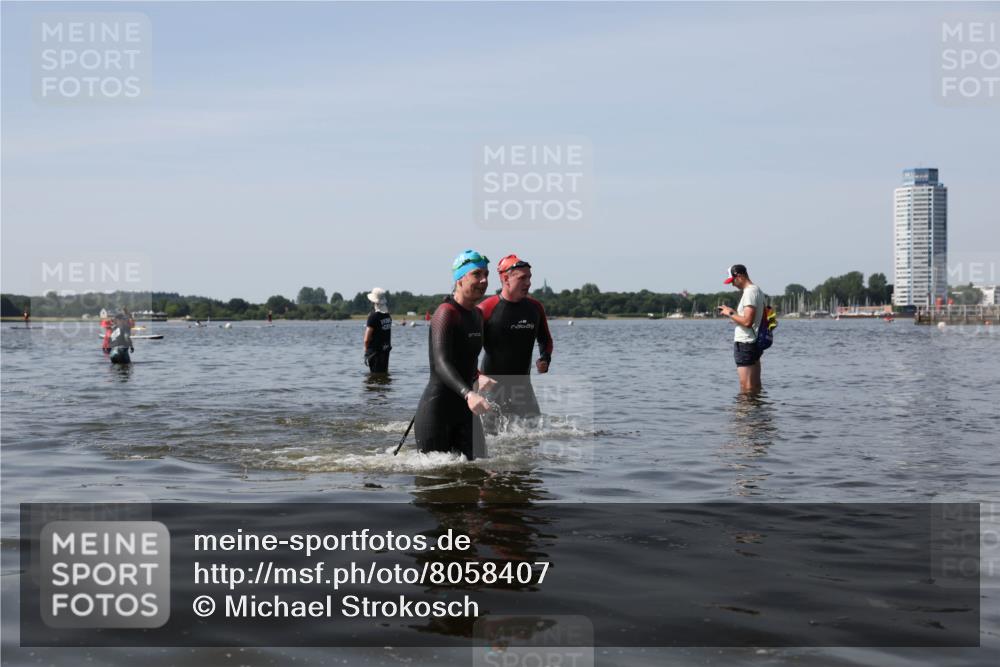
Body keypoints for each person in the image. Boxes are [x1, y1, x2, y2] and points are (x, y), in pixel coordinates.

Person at [413, 250, 496, 460]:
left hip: (466, 408)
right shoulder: (446, 313)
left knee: (480, 471)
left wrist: (478, 375)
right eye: (477, 274)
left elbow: (465, 356)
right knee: (436, 484)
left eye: (486, 274)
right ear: (459, 279)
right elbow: (441, 363)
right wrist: (469, 393)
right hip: (438, 409)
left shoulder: (477, 315)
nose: (484, 280)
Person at [477, 254, 553, 428]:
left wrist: (545, 358)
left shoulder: (535, 308)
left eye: (529, 277)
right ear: (505, 278)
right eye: (522, 278)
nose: (528, 283)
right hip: (491, 389)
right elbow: (466, 350)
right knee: (491, 440)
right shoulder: (485, 309)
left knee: (534, 435)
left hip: (523, 389)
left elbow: (545, 339)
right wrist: (477, 377)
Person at [717, 264, 764, 393]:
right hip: (753, 342)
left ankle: (744, 412)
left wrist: (730, 313)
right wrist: (736, 319)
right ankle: (756, 412)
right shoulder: (757, 290)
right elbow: (752, 320)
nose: (732, 285)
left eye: (733, 281)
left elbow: (748, 322)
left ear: (740, 276)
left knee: (746, 387)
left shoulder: (749, 292)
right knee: (755, 387)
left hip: (745, 344)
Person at [363, 287, 392, 373]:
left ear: (374, 301)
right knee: (383, 374)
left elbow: (366, 339)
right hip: (385, 350)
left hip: (375, 353)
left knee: (374, 378)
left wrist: (366, 351)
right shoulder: (387, 316)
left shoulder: (373, 317)